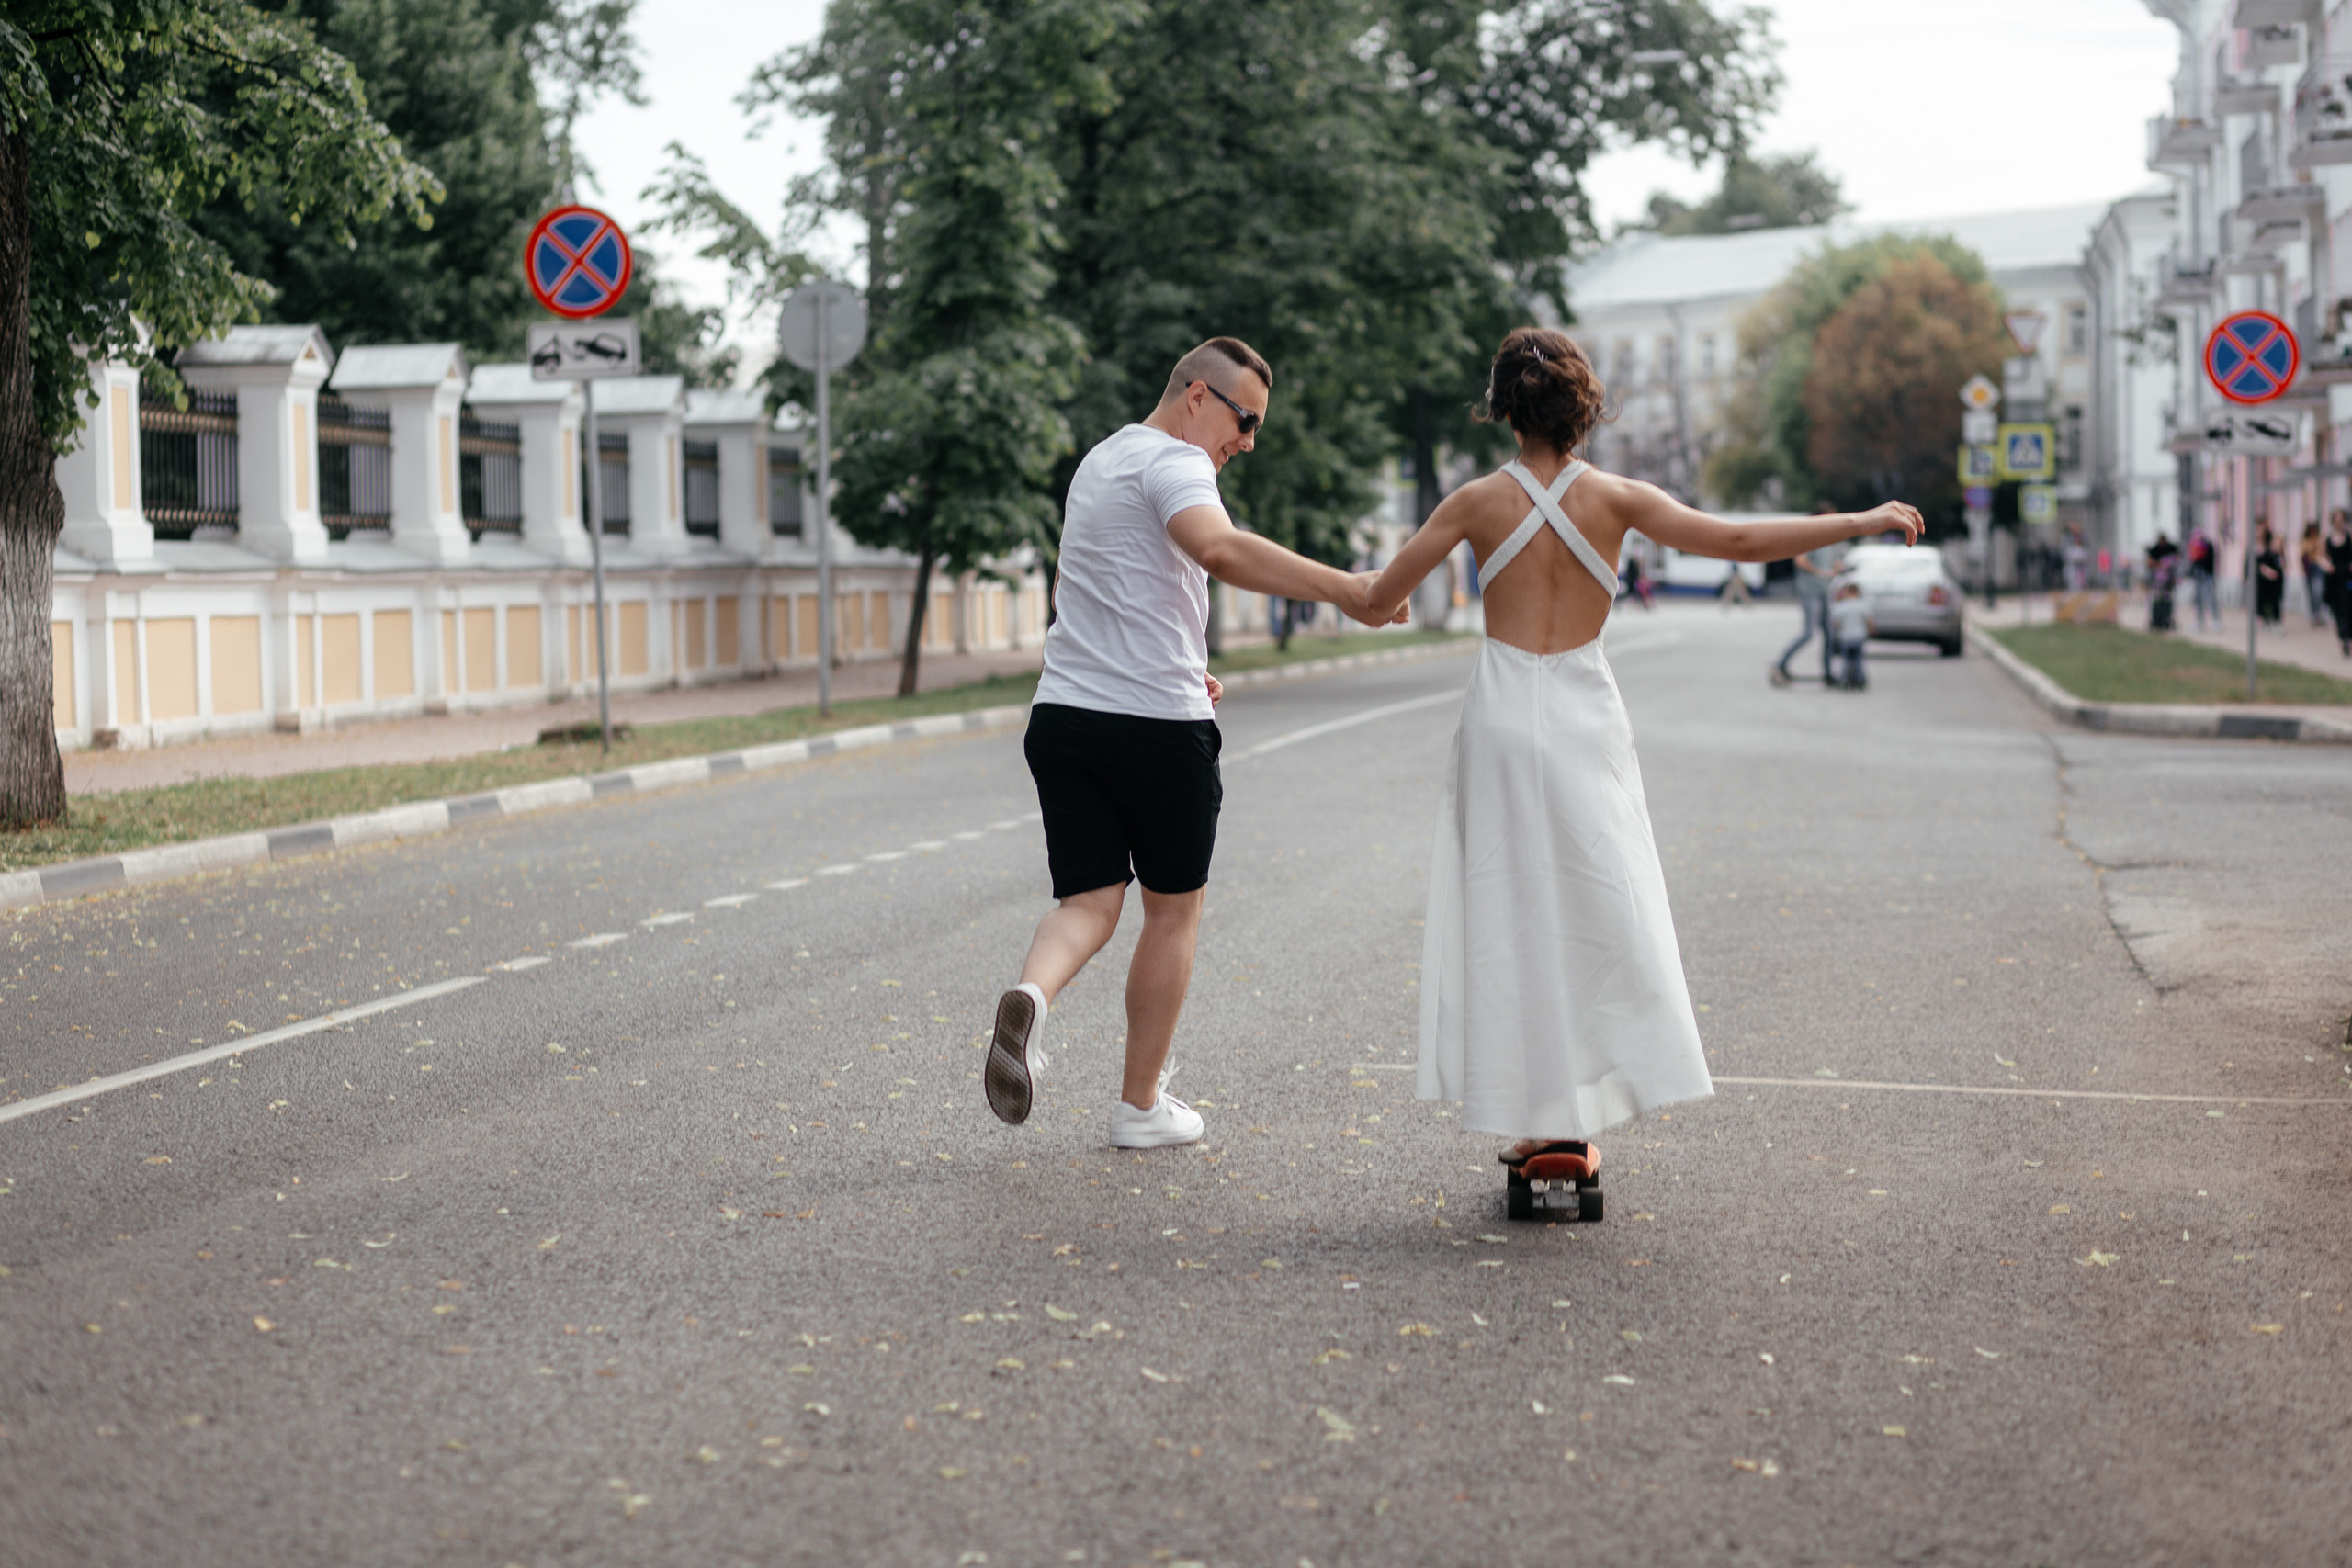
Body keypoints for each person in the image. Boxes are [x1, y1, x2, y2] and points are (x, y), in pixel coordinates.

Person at [1362, 326, 1922, 1174]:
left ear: (1506, 413)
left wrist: (1387, 603)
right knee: (1596, 906)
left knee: (1510, 911)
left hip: (1504, 720)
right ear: (1582, 410)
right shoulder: (1617, 498)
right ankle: (1580, 1105)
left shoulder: (1475, 503)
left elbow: (1374, 596)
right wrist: (1863, 519)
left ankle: (1537, 1110)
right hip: (1586, 714)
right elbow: (1737, 542)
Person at [986, 337, 1396, 1150]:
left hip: (1065, 715)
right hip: (1156, 731)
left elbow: (1082, 591)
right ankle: (1140, 1107)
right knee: (1172, 912)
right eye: (1245, 419)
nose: (1248, 440)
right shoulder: (1179, 464)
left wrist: (1177, 661)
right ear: (1198, 396)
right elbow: (1220, 549)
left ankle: (1032, 995)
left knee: (1088, 902)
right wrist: (1349, 588)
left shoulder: (1099, 462)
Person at [1769, 504, 1843, 686]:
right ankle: (1780, 664)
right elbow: (1800, 560)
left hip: (1825, 590)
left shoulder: (1830, 539)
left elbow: (1833, 562)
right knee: (1809, 633)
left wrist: (1835, 568)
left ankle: (1828, 673)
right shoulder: (1809, 535)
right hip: (1809, 590)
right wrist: (1822, 573)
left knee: (1829, 633)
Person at [1828, 577, 1871, 690]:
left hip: (1845, 637)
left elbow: (1835, 623)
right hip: (1859, 636)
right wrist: (1870, 630)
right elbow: (1869, 621)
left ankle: (1844, 679)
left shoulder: (1841, 606)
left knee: (1846, 660)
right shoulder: (1863, 605)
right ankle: (1860, 679)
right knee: (1858, 659)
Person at [2326, 511, 2352, 657]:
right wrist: (2327, 566)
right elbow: (2320, 556)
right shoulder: (2328, 539)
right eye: (2336, 519)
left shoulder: (2349, 537)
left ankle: (2348, 638)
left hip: (2348, 578)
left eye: (2341, 520)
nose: (2339, 522)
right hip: (2334, 579)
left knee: (2348, 608)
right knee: (2337, 610)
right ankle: (2342, 640)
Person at [2187, 525, 2220, 631]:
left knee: (2210, 597)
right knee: (2198, 599)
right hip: (2197, 575)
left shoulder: (2208, 545)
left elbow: (2211, 561)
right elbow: (2192, 561)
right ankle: (2199, 621)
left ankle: (2215, 620)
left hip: (2207, 575)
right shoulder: (2193, 546)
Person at [2146, 533, 2179, 634]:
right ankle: (2157, 621)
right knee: (2157, 601)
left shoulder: (2171, 548)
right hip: (2158, 582)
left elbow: (2177, 560)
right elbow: (2149, 563)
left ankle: (2166, 620)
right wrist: (2159, 564)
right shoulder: (2155, 550)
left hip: (2167, 582)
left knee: (2167, 601)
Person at [2255, 528, 2286, 626]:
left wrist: (2281, 554)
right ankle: (2264, 619)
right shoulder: (2267, 553)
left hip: (2277, 582)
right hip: (2266, 582)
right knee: (2265, 601)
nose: (2277, 545)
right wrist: (2269, 572)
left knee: (2276, 602)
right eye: (2276, 542)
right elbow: (2261, 566)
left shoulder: (2279, 555)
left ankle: (2276, 621)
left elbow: (2284, 566)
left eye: (2279, 543)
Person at [2301, 523, 2328, 627]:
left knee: (2319, 591)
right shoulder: (2305, 541)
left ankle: (2318, 614)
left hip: (2318, 567)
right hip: (2309, 569)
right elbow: (2305, 553)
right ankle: (2314, 615)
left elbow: (2322, 552)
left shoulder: (2320, 540)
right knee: (2311, 593)